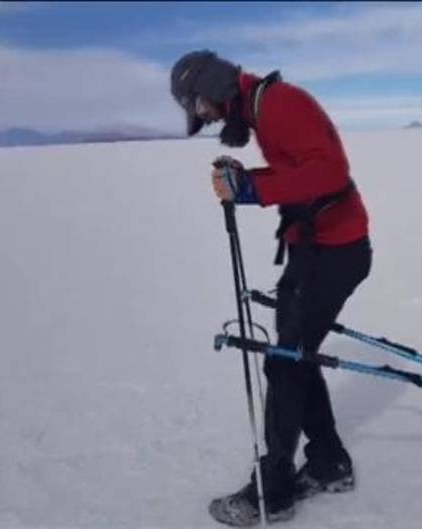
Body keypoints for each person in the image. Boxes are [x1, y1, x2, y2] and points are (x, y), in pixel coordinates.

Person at [170, 50, 372, 526]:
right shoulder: (264, 110)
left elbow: (329, 173)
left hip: (336, 252)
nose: (207, 118)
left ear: (217, 89)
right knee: (295, 355)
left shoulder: (281, 104)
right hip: (310, 249)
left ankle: (274, 489)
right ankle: (328, 463)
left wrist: (253, 190)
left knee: (285, 362)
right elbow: (296, 174)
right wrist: (249, 181)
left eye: (202, 107)